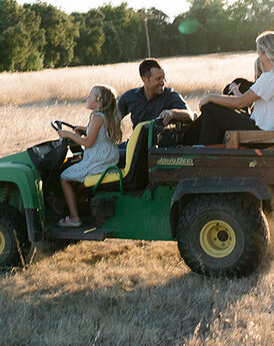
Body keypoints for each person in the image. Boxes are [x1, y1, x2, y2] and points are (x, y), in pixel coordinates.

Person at [177, 31, 274, 145]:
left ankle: (204, 152)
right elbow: (249, 103)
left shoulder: (271, 77)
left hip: (263, 135)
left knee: (210, 108)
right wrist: (237, 93)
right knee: (216, 109)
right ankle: (204, 147)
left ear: (267, 53)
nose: (260, 58)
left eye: (260, 54)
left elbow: (240, 103)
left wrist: (209, 97)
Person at [57, 84, 122, 227]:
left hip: (97, 162)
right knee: (76, 176)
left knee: (64, 178)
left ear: (98, 101)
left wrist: (68, 134)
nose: (87, 97)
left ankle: (74, 218)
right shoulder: (108, 116)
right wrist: (84, 129)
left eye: (90, 96)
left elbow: (88, 143)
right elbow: (98, 133)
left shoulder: (97, 117)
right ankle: (83, 209)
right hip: (108, 160)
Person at [117, 59, 188, 128]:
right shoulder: (129, 97)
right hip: (139, 139)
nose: (163, 82)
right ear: (144, 80)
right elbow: (112, 117)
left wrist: (173, 113)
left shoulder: (170, 95)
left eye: (163, 78)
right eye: (158, 79)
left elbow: (190, 115)